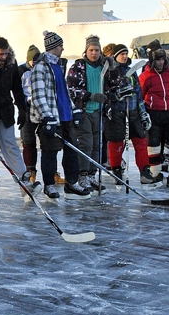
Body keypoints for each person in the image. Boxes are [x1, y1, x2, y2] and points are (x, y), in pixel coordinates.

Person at [29, 31, 90, 200]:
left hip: (65, 116)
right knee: (50, 152)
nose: (63, 48)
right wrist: (46, 116)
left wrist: (74, 110)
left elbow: (63, 93)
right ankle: (49, 185)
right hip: (51, 118)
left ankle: (71, 183)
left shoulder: (59, 65)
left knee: (72, 151)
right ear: (54, 47)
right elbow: (39, 95)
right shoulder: (40, 67)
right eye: (61, 45)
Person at [0, 36, 39, 198]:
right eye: (1, 54)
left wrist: (22, 110)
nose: (3, 57)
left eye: (6, 53)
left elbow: (17, 88)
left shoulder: (11, 65)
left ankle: (22, 178)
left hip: (5, 112)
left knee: (10, 145)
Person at [67, 34, 121, 192]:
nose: (94, 53)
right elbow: (72, 88)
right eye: (91, 50)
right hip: (84, 111)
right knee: (86, 143)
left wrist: (112, 69)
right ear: (86, 50)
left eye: (97, 50)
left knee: (98, 144)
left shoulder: (104, 67)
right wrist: (90, 95)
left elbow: (115, 85)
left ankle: (92, 173)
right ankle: (82, 175)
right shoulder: (78, 67)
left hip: (99, 111)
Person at [103, 44, 156, 186]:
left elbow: (138, 94)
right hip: (116, 112)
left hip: (132, 112)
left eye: (126, 54)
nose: (125, 56)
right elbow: (105, 92)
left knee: (141, 141)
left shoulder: (131, 72)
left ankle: (145, 171)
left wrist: (143, 113)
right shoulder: (110, 72)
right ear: (115, 56)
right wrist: (116, 95)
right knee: (116, 143)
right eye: (122, 54)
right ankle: (117, 171)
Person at [138, 46, 169, 187]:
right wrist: (143, 114)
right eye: (158, 59)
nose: (161, 62)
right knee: (153, 147)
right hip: (154, 114)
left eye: (162, 59)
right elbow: (139, 98)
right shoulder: (145, 76)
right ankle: (155, 174)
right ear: (152, 61)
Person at [19, 45, 43, 184]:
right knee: (28, 141)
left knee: (47, 142)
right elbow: (17, 90)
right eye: (33, 60)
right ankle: (30, 170)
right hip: (27, 109)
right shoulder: (22, 70)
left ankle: (52, 172)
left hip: (41, 108)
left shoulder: (42, 69)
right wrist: (24, 102)